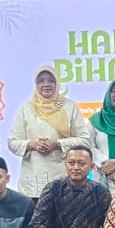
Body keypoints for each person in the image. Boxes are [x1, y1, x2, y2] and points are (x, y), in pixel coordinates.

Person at [10, 66, 90, 198]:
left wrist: (57, 144)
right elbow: (13, 142)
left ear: (57, 83)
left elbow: (84, 140)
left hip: (62, 177)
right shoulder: (26, 108)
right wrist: (31, 144)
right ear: (36, 84)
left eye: (51, 81)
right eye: (41, 81)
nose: (46, 84)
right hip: (33, 180)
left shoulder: (69, 106)